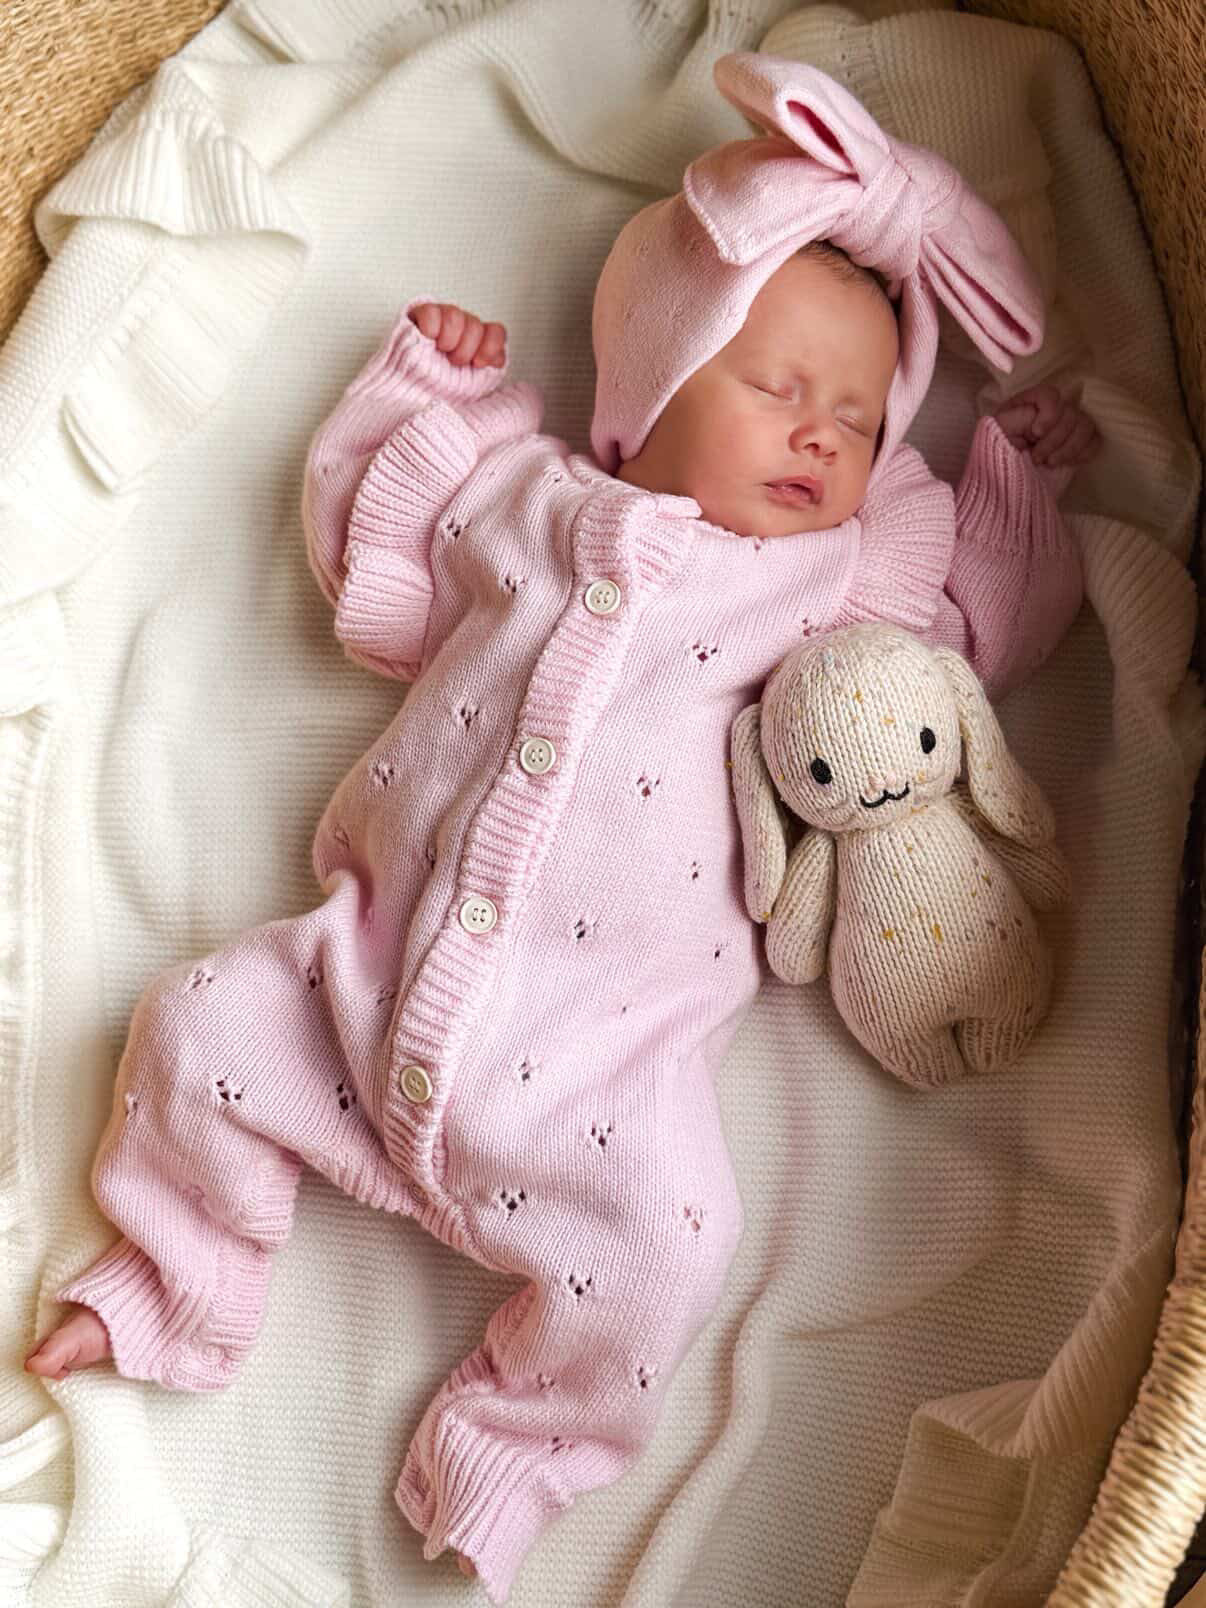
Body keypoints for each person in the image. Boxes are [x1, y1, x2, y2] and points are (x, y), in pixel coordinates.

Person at [25, 52, 1098, 1605]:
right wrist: (427, 393)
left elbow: (961, 646)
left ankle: (509, 1456)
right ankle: (167, 1286)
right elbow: (366, 560)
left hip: (598, 1089)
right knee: (192, 1026)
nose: (819, 437)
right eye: (779, 387)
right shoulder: (521, 502)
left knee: (674, 1246)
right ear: (649, 392)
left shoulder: (828, 587)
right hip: (355, 986)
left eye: (860, 421)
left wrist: (1008, 486)